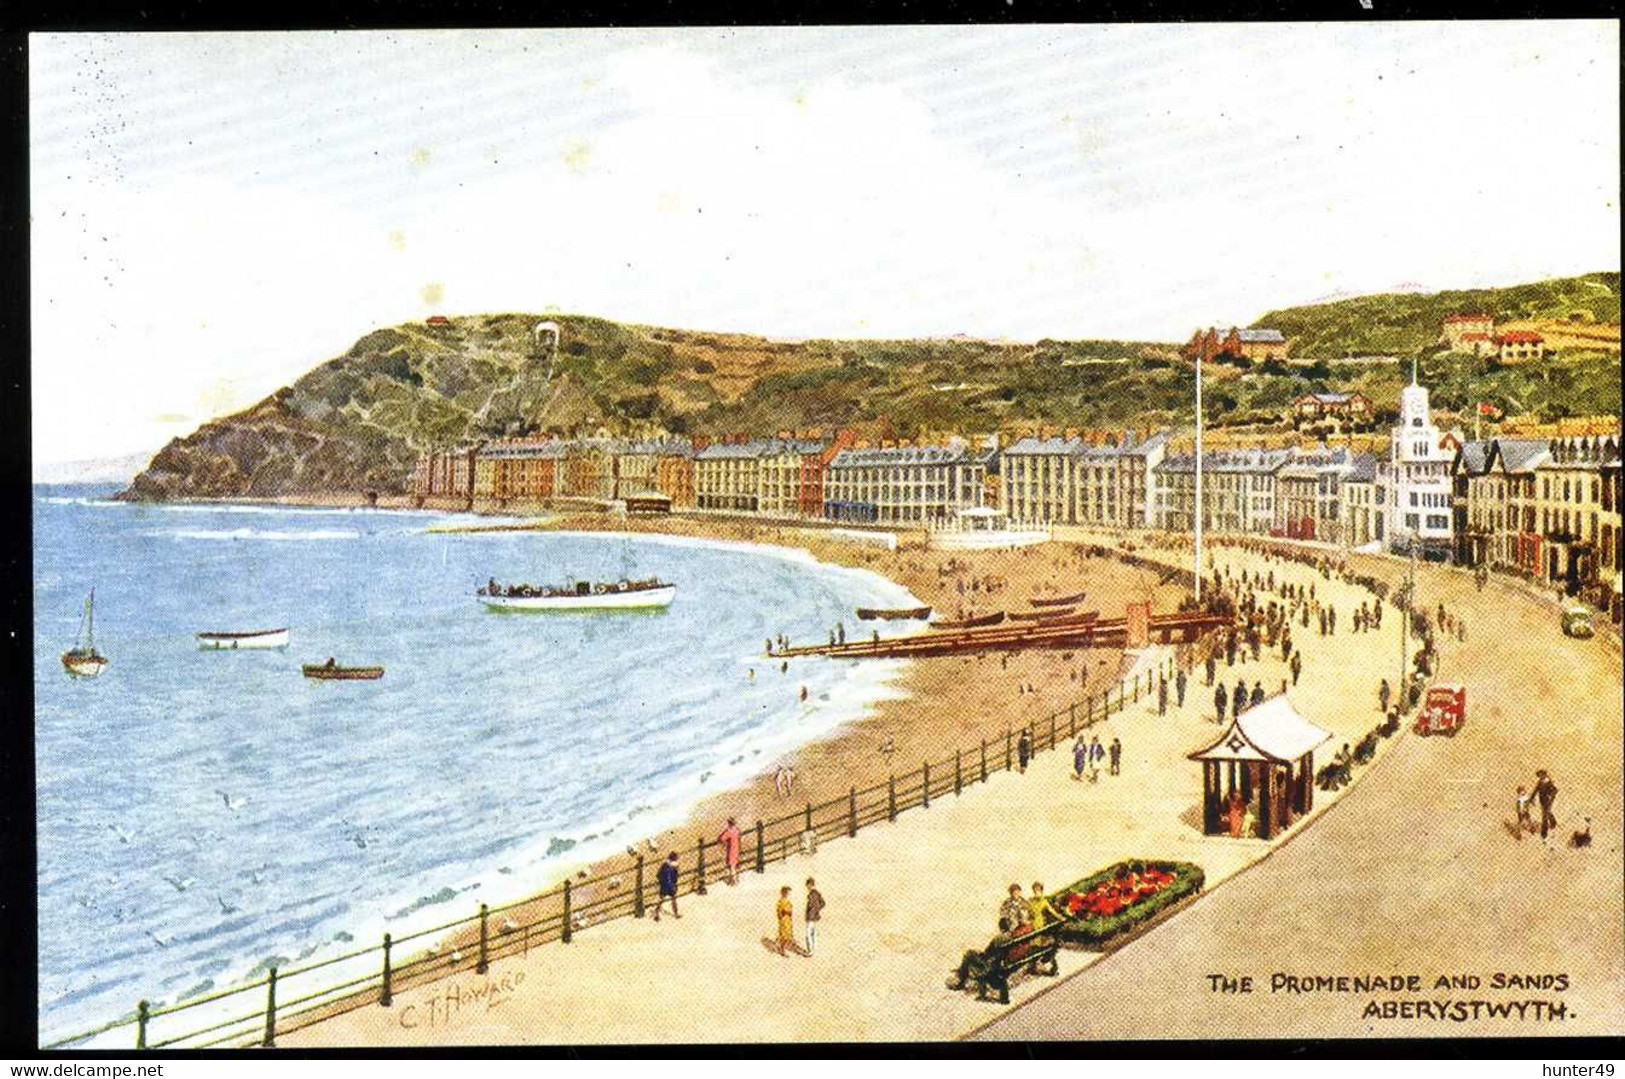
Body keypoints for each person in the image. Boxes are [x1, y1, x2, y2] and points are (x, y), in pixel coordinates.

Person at [947, 918, 1015, 991]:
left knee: (969, 954)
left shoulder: (998, 938)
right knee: (972, 953)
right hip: (996, 962)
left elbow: (987, 952)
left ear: (1000, 927)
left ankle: (961, 979)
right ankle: (961, 972)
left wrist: (980, 953)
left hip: (989, 964)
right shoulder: (1010, 938)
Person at [653, 852, 681, 921]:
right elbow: (675, 877)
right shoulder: (674, 867)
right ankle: (676, 914)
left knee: (662, 899)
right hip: (670, 885)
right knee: (673, 899)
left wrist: (661, 882)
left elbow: (658, 875)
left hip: (664, 885)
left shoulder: (664, 865)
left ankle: (656, 913)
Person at [1533, 770, 1559, 840]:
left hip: (1548, 801)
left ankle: (1544, 833)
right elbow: (1535, 790)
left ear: (1545, 775)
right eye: (1539, 776)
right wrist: (1532, 798)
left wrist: (1550, 795)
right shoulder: (1540, 782)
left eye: (1541, 776)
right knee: (1548, 813)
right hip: (1542, 801)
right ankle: (1553, 822)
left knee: (1544, 817)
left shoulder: (1549, 783)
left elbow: (1555, 791)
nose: (1540, 777)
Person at [717, 818, 742, 886]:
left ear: (729, 824)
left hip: (731, 850)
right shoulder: (737, 830)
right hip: (737, 849)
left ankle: (733, 881)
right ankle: (736, 879)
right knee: (735, 865)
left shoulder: (729, 831)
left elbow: (721, 838)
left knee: (732, 866)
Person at [804, 878, 825, 954]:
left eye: (807, 885)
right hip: (815, 916)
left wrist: (812, 911)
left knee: (808, 933)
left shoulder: (811, 894)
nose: (807, 887)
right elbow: (823, 903)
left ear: (809, 885)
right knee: (813, 932)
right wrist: (817, 910)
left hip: (811, 916)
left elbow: (810, 905)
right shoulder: (817, 893)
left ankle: (810, 950)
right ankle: (814, 948)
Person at [776, 886, 795, 956]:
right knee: (784, 935)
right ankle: (782, 949)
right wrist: (784, 914)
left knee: (787, 935)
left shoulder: (788, 901)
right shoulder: (781, 901)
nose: (788, 894)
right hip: (784, 920)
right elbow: (779, 911)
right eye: (788, 893)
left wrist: (789, 913)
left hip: (788, 920)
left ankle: (783, 948)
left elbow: (790, 910)